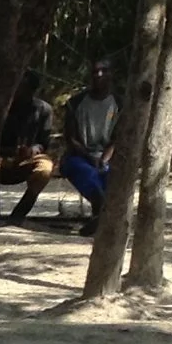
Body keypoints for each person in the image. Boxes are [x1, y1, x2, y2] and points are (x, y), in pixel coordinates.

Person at [62, 59, 118, 235]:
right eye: (95, 72)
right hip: (79, 156)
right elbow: (71, 138)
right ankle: (100, 213)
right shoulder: (76, 103)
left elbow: (119, 138)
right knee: (86, 173)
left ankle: (101, 219)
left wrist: (103, 159)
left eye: (104, 71)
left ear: (111, 74)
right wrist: (90, 157)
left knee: (110, 174)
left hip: (109, 156)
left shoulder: (121, 104)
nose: (99, 75)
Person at [0, 71, 56, 223]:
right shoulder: (1, 107)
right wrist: (9, 151)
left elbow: (44, 142)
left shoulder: (44, 110)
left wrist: (33, 150)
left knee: (45, 168)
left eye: (23, 87)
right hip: (1, 155)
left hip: (28, 158)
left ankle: (18, 215)